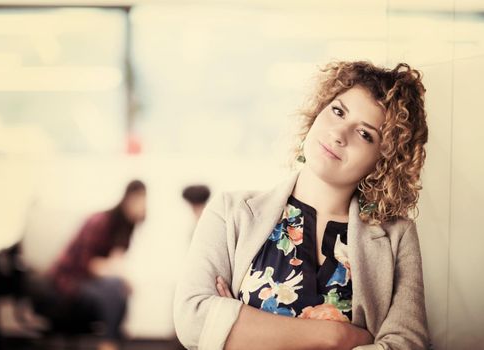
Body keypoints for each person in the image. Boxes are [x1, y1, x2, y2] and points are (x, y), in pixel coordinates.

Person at [173, 61, 430, 350]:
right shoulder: (230, 212)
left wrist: (241, 325)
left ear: (383, 160)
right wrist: (340, 337)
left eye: (365, 134)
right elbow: (193, 319)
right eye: (338, 111)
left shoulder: (397, 236)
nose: (338, 134)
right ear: (318, 111)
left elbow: (406, 344)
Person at [46, 179, 146, 350]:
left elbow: (115, 263)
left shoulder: (125, 227)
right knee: (114, 286)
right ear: (130, 199)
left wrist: (124, 279)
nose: (144, 207)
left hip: (90, 282)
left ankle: (113, 339)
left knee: (118, 288)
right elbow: (87, 265)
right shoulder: (101, 221)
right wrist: (120, 277)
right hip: (70, 281)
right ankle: (109, 343)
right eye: (142, 201)